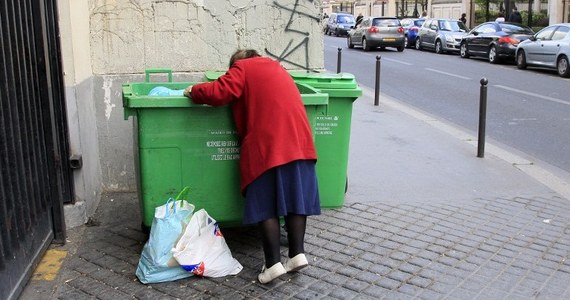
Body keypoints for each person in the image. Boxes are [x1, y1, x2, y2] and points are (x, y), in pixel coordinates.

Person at [183, 49, 321, 284]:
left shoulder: (243, 67)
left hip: (268, 144)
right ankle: (297, 254)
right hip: (299, 141)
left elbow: (219, 91)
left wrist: (193, 90)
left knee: (265, 204)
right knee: (296, 199)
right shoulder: (277, 68)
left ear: (237, 63)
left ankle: (272, 264)